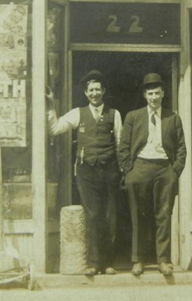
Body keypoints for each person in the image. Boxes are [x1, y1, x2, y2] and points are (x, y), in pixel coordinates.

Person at [47, 70, 122, 276]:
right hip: (86, 171)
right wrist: (50, 105)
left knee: (110, 216)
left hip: (109, 170)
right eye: (91, 90)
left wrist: (121, 169)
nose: (95, 93)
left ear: (104, 91)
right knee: (92, 215)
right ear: (86, 93)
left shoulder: (114, 115)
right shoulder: (77, 113)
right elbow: (54, 128)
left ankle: (108, 263)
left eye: (98, 89)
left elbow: (119, 144)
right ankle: (94, 263)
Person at [118, 73, 187, 277]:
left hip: (164, 169)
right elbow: (123, 147)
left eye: (157, 93)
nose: (154, 97)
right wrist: (129, 171)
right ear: (145, 95)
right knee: (138, 216)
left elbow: (182, 149)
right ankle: (138, 260)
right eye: (150, 93)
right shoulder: (133, 117)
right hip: (139, 168)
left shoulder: (172, 118)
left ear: (163, 93)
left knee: (163, 215)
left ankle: (163, 260)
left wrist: (174, 171)